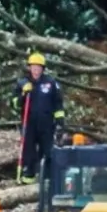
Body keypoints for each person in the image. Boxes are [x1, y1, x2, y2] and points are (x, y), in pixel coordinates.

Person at [12, 52, 66, 184]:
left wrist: (60, 121)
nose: (36, 70)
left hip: (46, 124)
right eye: (33, 67)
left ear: (43, 68)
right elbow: (15, 104)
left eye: (39, 67)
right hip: (29, 123)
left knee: (47, 150)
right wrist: (24, 94)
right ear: (30, 68)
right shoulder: (22, 83)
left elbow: (58, 103)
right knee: (28, 150)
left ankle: (46, 177)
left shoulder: (51, 83)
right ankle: (28, 177)